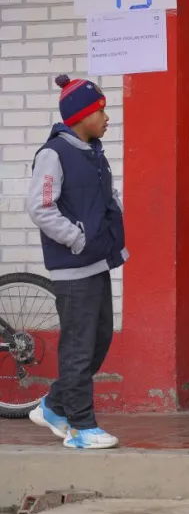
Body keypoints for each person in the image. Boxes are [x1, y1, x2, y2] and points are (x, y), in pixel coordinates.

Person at [25, 74, 126, 450]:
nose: (107, 118)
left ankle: (54, 404)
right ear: (81, 114)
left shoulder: (93, 151)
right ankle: (81, 427)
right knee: (79, 346)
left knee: (99, 340)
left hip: (97, 262)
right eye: (101, 111)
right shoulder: (54, 153)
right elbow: (40, 206)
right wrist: (78, 238)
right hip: (73, 266)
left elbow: (104, 197)